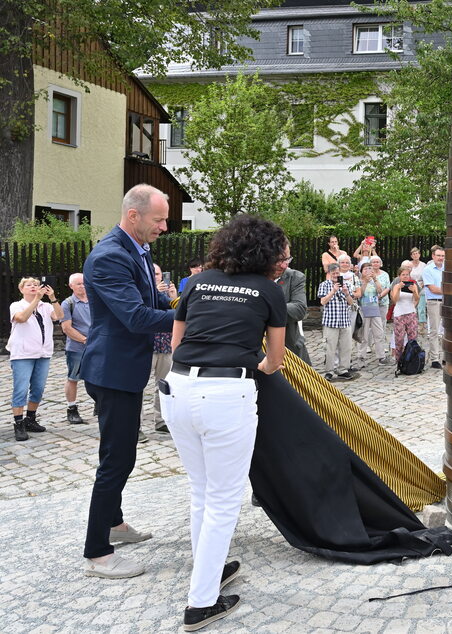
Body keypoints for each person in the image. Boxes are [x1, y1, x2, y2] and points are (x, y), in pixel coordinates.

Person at [164, 214, 287, 631]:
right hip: (225, 395)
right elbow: (274, 360)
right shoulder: (268, 291)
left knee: (201, 491)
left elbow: (177, 343)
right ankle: (200, 603)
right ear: (268, 253)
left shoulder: (198, 282)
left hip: (177, 389)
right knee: (221, 500)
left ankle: (209, 570)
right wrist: (255, 365)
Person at [81, 184, 175, 579]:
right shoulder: (109, 256)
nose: (164, 227)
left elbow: (152, 302)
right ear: (133, 215)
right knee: (116, 459)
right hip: (112, 371)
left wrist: (186, 303)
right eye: (158, 219)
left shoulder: (136, 247)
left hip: (124, 368)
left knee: (123, 454)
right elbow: (135, 317)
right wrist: (195, 318)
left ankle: (114, 525)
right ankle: (97, 553)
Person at [7, 277, 63, 441]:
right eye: (29, 285)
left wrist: (52, 298)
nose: (33, 287)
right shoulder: (16, 305)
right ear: (21, 289)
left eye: (37, 285)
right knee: (21, 389)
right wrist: (37, 299)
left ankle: (30, 418)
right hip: (23, 354)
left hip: (43, 353)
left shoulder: (45, 306)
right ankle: (18, 423)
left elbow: (59, 316)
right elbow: (21, 318)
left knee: (38, 388)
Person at [149, 263, 178, 436]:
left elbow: (180, 315)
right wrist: (157, 293)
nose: (156, 277)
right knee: (139, 385)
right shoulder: (143, 291)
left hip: (166, 344)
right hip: (148, 345)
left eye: (158, 274)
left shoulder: (168, 293)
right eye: (153, 274)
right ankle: (135, 426)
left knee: (163, 384)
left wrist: (174, 297)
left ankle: (160, 420)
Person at [61, 272, 91, 425]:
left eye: (84, 283)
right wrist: (85, 340)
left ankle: (100, 405)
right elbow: (67, 328)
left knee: (99, 376)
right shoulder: (68, 304)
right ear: (71, 286)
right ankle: (71, 408)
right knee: (73, 378)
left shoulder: (95, 300)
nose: (82, 286)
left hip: (96, 346)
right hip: (77, 347)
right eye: (78, 283)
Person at [319, 263, 356, 381]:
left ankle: (343, 369)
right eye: (333, 273)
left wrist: (346, 293)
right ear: (329, 274)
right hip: (331, 321)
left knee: (346, 347)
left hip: (345, 321)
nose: (336, 275)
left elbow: (351, 303)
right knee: (330, 347)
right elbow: (323, 301)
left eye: (337, 273)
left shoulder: (347, 285)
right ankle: (329, 370)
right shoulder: (324, 285)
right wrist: (333, 291)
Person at [274, 253, 311, 365]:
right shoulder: (251, 278)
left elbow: (299, 309)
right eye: (279, 260)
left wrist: (264, 308)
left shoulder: (294, 277)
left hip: (290, 347)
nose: (284, 265)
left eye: (287, 259)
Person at [357, 261, 388, 365]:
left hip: (375, 309)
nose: (368, 271)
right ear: (361, 271)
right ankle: (361, 356)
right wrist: (365, 281)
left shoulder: (374, 281)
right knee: (364, 335)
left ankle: (381, 356)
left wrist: (375, 279)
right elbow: (360, 294)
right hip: (363, 310)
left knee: (379, 333)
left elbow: (380, 291)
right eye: (365, 269)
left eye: (370, 268)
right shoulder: (359, 281)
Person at [390, 265, 421, 362]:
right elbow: (395, 300)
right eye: (403, 275)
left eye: (407, 275)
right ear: (399, 276)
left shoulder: (413, 285)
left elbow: (417, 299)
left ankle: (412, 359)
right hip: (399, 314)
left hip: (411, 313)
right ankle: (399, 359)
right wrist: (399, 288)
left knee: (413, 337)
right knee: (399, 339)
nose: (405, 276)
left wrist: (414, 292)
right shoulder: (396, 286)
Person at [423, 246, 445, 369]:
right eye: (438, 255)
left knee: (447, 331)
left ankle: (446, 356)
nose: (441, 258)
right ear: (433, 256)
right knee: (435, 331)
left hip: (447, 302)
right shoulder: (428, 270)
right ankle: (435, 359)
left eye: (442, 256)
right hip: (434, 302)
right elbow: (433, 289)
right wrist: (449, 290)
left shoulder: (447, 268)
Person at [408, 247, 428, 327]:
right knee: (412, 306)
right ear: (411, 256)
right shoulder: (408, 264)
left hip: (421, 288)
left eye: (417, 253)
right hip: (410, 288)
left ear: (419, 255)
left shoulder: (424, 265)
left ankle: (421, 325)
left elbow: (426, 277)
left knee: (421, 308)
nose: (415, 255)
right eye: (413, 254)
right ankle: (412, 324)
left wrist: (420, 286)